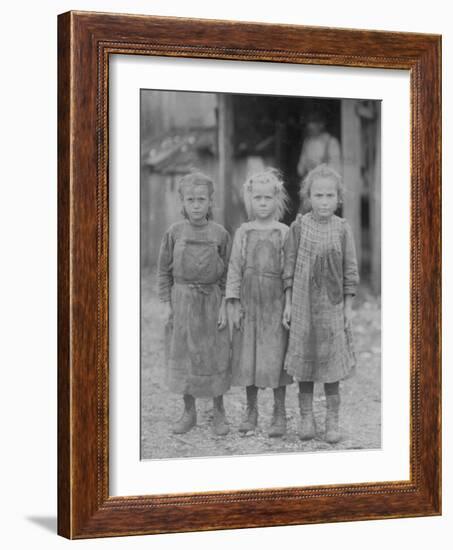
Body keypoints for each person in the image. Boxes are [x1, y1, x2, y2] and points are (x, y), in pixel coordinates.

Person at [282, 164, 359, 443]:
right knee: (305, 360)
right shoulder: (299, 226)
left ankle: (332, 419)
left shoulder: (342, 229)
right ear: (308, 197)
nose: (324, 201)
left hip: (331, 307)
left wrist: (348, 310)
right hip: (303, 306)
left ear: (338, 199)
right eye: (318, 195)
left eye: (329, 196)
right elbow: (288, 267)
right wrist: (289, 303)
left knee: (330, 363)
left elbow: (350, 272)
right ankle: (306, 417)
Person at [157, 171, 232, 436]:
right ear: (183, 202)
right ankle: (188, 413)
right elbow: (163, 272)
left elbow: (228, 275)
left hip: (211, 302)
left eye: (202, 199)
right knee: (184, 355)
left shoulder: (220, 234)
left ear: (211, 202)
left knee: (214, 354)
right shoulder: (174, 232)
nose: (197, 205)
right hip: (183, 301)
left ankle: (219, 412)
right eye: (191, 200)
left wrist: (225, 304)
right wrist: (168, 304)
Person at [226, 168, 293, 438]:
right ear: (249, 200)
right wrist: (233, 302)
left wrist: (288, 304)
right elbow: (234, 268)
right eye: (258, 198)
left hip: (275, 303)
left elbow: (289, 272)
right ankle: (251, 411)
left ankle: (279, 412)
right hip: (249, 303)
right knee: (247, 357)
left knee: (276, 357)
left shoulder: (285, 232)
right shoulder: (243, 232)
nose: (262, 203)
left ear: (276, 200)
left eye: (267, 198)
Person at [297, 111, 342, 184]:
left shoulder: (331, 142)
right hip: (310, 184)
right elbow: (300, 169)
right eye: (309, 122)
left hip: (326, 184)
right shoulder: (307, 142)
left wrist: (319, 167)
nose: (310, 125)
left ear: (321, 124)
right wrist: (306, 165)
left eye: (313, 122)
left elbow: (337, 169)